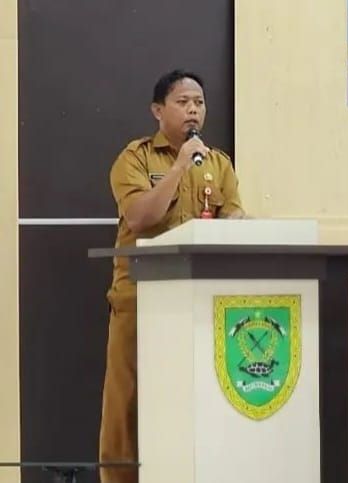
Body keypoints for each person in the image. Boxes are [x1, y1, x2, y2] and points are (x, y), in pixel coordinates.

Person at [99, 69, 244, 483]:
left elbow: (233, 214)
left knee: (193, 398)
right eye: (183, 102)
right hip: (139, 299)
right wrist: (180, 166)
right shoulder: (136, 158)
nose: (193, 110)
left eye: (199, 102)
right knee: (127, 405)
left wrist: (235, 222)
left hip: (199, 304)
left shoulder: (218, 163)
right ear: (158, 111)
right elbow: (140, 217)